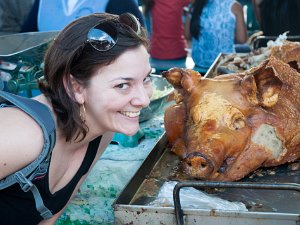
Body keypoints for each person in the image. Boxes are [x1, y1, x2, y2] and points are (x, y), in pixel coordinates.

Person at [0, 12, 152, 224]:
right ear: (75, 87)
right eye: (122, 85)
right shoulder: (23, 134)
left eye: (146, 79)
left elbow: (47, 217)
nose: (144, 100)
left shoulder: (101, 130)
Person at [186, 0, 248, 69]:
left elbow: (187, 35)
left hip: (199, 64)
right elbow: (242, 40)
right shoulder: (235, 6)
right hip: (224, 67)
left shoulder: (195, 4)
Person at [21, 0, 145, 32]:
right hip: (45, 80)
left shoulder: (118, 2)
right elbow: (27, 36)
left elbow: (137, 39)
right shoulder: (43, 2)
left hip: (94, 83)